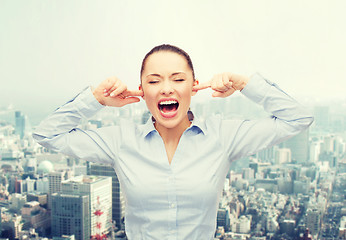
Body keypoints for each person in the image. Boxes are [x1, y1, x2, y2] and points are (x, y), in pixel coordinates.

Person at [33, 44, 314, 240]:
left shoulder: (224, 136)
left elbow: (298, 119)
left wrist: (244, 84)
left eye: (178, 79)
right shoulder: (121, 140)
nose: (167, 88)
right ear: (141, 91)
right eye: (154, 81)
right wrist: (95, 99)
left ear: (194, 86)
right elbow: (47, 134)